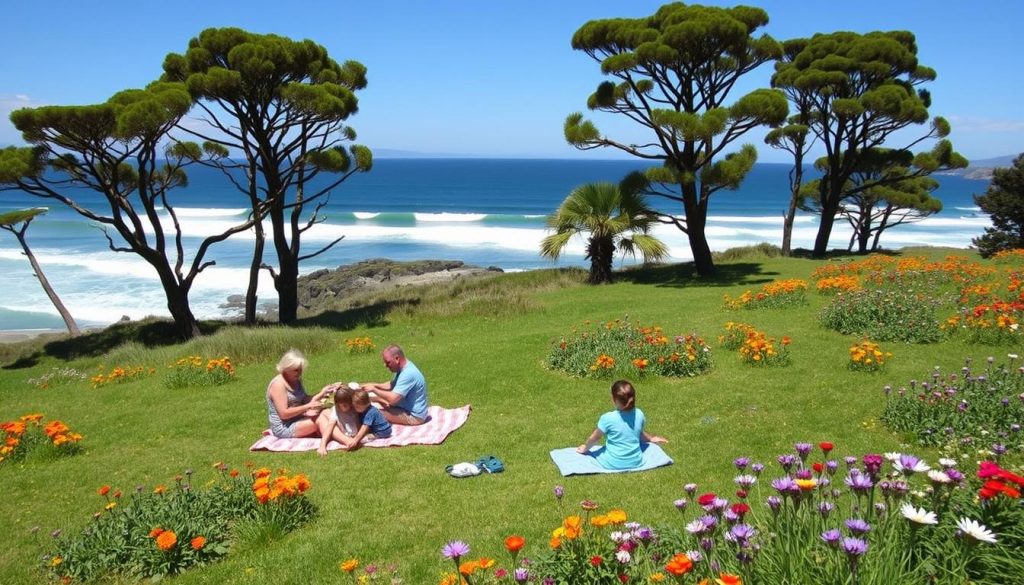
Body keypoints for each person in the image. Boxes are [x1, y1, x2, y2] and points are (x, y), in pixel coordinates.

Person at [576, 379, 667, 470]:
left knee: (600, 453)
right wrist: (651, 438)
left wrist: (585, 448)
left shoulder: (608, 418)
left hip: (611, 463)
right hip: (636, 462)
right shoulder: (639, 414)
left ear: (614, 399)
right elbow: (637, 433)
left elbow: (595, 438)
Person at [266, 349, 333, 440]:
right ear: (286, 369)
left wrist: (323, 393)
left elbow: (304, 399)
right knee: (320, 418)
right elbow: (284, 414)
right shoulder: (278, 385)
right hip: (284, 427)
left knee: (327, 412)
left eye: (300, 369)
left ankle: (343, 435)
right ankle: (343, 440)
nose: (300, 373)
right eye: (296, 370)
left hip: (298, 419)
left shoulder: (296, 380)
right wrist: (307, 407)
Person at [362, 344, 430, 425]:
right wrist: (375, 385)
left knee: (371, 412)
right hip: (405, 408)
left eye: (388, 362)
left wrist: (374, 389)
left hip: (414, 417)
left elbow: (392, 399)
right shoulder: (404, 367)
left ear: (397, 359)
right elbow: (392, 385)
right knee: (374, 400)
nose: (385, 366)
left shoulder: (408, 373)